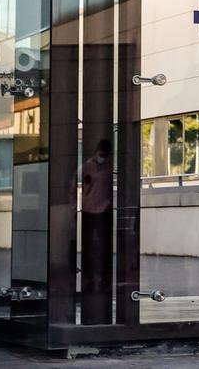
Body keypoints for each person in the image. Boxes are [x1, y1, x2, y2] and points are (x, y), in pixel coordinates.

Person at [80, 138, 114, 324]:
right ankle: (89, 278)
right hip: (88, 209)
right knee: (87, 244)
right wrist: (74, 206)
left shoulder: (109, 167)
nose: (103, 158)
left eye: (106, 155)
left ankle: (103, 279)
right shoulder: (87, 166)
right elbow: (75, 186)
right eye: (102, 154)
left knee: (105, 245)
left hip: (105, 209)